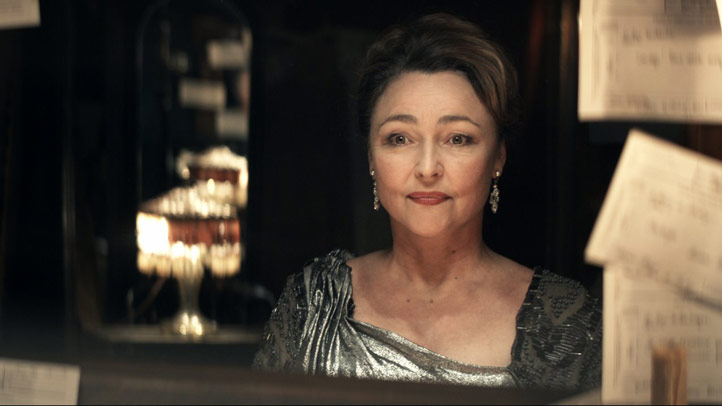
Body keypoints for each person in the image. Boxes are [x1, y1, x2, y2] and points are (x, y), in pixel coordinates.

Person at [253, 13, 601, 391]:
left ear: (497, 158)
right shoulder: (316, 304)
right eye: (400, 138)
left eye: (458, 139)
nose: (427, 168)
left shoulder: (562, 320)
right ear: (371, 158)